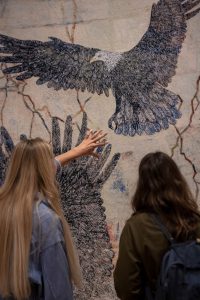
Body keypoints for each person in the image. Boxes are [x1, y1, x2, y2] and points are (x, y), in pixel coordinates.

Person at [0, 129, 107, 300]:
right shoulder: (45, 220)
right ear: (44, 169)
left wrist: (76, 151)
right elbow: (58, 291)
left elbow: (42, 167)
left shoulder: (4, 206)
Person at [114, 151, 200, 300]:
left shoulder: (136, 227)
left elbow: (126, 288)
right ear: (177, 181)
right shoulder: (194, 219)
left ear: (142, 185)